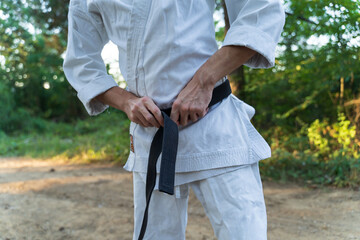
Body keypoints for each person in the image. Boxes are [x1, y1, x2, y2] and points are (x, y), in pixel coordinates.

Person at [63, 0, 285, 239]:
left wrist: (203, 81)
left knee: (245, 234)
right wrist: (126, 101)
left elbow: (261, 9)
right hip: (151, 136)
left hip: (216, 127)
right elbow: (81, 61)